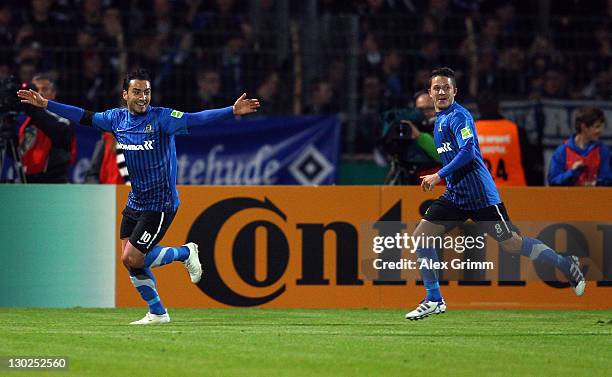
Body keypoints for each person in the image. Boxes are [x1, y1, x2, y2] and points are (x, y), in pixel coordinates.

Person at [18, 68, 260, 324]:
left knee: (132, 257)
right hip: (136, 201)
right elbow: (83, 116)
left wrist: (230, 111)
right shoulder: (116, 119)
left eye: (147, 92)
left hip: (161, 203)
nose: (143, 97)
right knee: (133, 262)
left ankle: (185, 253)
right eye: (137, 92)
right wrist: (46, 105)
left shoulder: (163, 118)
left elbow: (196, 118)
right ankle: (157, 312)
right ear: (125, 94)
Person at [405, 67, 585, 321]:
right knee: (422, 237)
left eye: (447, 87)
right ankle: (434, 298)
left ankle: (566, 264)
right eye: (437, 88)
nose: (442, 91)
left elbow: (468, 152)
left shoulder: (460, 117)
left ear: (455, 91)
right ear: (430, 93)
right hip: (456, 196)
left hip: (481, 197)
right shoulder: (439, 122)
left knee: (512, 244)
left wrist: (438, 175)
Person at [18, 74, 75, 183]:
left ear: (54, 94)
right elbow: (22, 151)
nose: (39, 93)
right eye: (35, 89)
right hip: (28, 180)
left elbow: (58, 132)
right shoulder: (28, 119)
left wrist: (33, 109)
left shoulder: (63, 115)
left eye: (44, 89)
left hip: (53, 182)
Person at [548, 107, 612, 186]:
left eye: (601, 126)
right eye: (597, 126)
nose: (600, 131)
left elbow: (607, 179)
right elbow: (553, 181)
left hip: (595, 197)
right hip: (569, 198)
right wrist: (572, 172)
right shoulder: (562, 150)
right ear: (584, 127)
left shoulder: (603, 150)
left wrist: (595, 184)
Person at [474, 91, 527, 186]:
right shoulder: (516, 130)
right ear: (498, 106)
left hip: (480, 193)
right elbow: (528, 163)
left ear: (478, 108)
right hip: (514, 192)